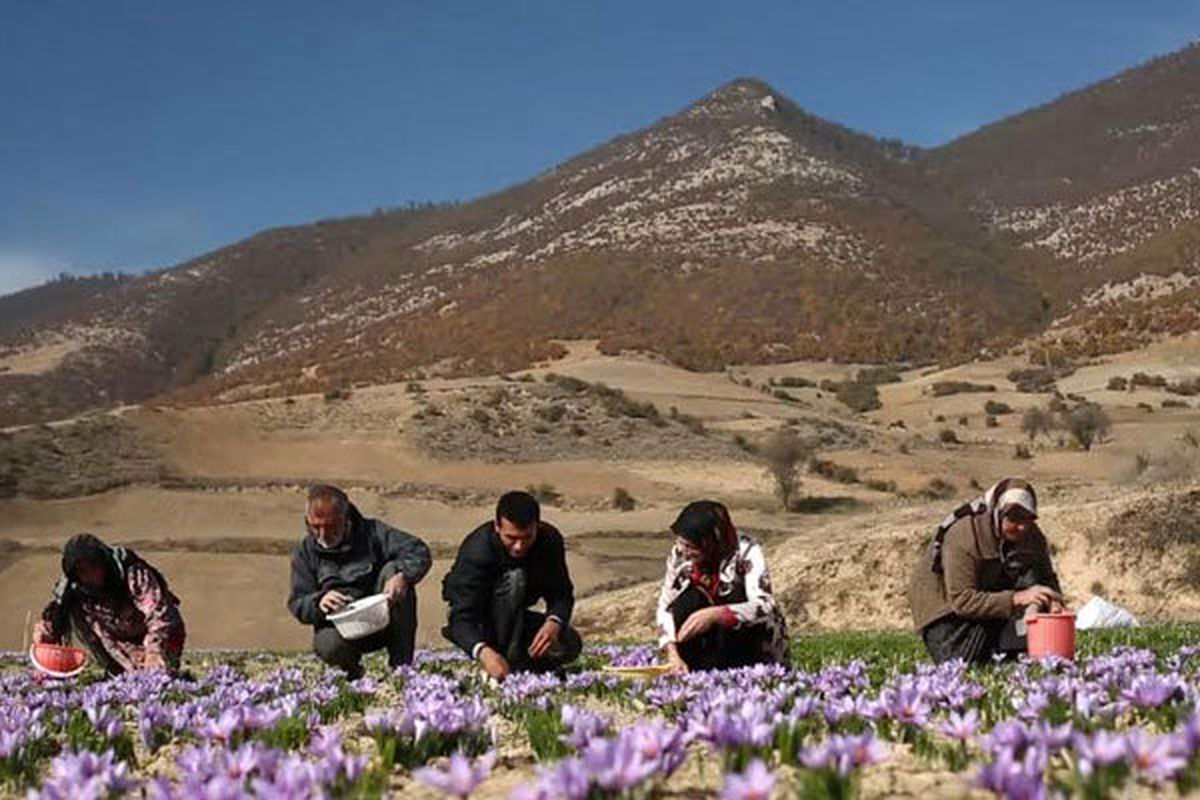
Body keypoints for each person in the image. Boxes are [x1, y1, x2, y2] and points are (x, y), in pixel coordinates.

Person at [909, 477, 1065, 664]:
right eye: (1014, 518)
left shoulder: (1032, 536)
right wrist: (1018, 598)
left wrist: (1054, 601)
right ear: (998, 512)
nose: (1022, 526)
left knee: (1027, 652)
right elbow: (962, 599)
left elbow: (1046, 577)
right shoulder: (965, 535)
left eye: (1028, 518)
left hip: (991, 596)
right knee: (960, 664)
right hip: (946, 610)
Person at [287, 484, 432, 678]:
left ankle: (401, 670)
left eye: (330, 526)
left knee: (394, 571)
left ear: (346, 519)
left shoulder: (373, 533)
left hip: (383, 620)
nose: (322, 535)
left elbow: (418, 551)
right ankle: (354, 675)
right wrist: (319, 601)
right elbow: (297, 602)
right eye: (315, 527)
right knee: (327, 645)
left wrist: (404, 576)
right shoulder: (305, 552)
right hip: (342, 631)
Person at [442, 490, 582, 680]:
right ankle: (508, 661)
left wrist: (553, 623)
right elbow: (460, 615)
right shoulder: (477, 550)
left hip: (516, 618)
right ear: (497, 527)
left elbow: (562, 593)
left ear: (537, 527)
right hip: (480, 620)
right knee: (514, 580)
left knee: (569, 643)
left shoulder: (549, 541)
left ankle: (517, 661)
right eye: (511, 538)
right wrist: (483, 651)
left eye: (527, 538)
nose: (519, 546)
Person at [655, 500, 789, 673]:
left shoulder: (746, 551)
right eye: (680, 542)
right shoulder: (681, 555)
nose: (683, 550)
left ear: (711, 541)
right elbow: (666, 607)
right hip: (707, 646)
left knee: (731, 609)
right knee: (688, 600)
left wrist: (717, 614)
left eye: (690, 546)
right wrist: (672, 653)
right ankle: (689, 670)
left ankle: (739, 676)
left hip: (748, 644)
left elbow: (765, 605)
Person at [34, 533, 186, 676]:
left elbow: (158, 614)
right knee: (130, 677)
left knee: (160, 674)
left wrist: (154, 652)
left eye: (94, 566)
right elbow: (53, 617)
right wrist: (45, 632)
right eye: (82, 571)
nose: (90, 575)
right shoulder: (73, 588)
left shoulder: (130, 572)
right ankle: (118, 674)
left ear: (103, 561)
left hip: (160, 633)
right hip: (119, 639)